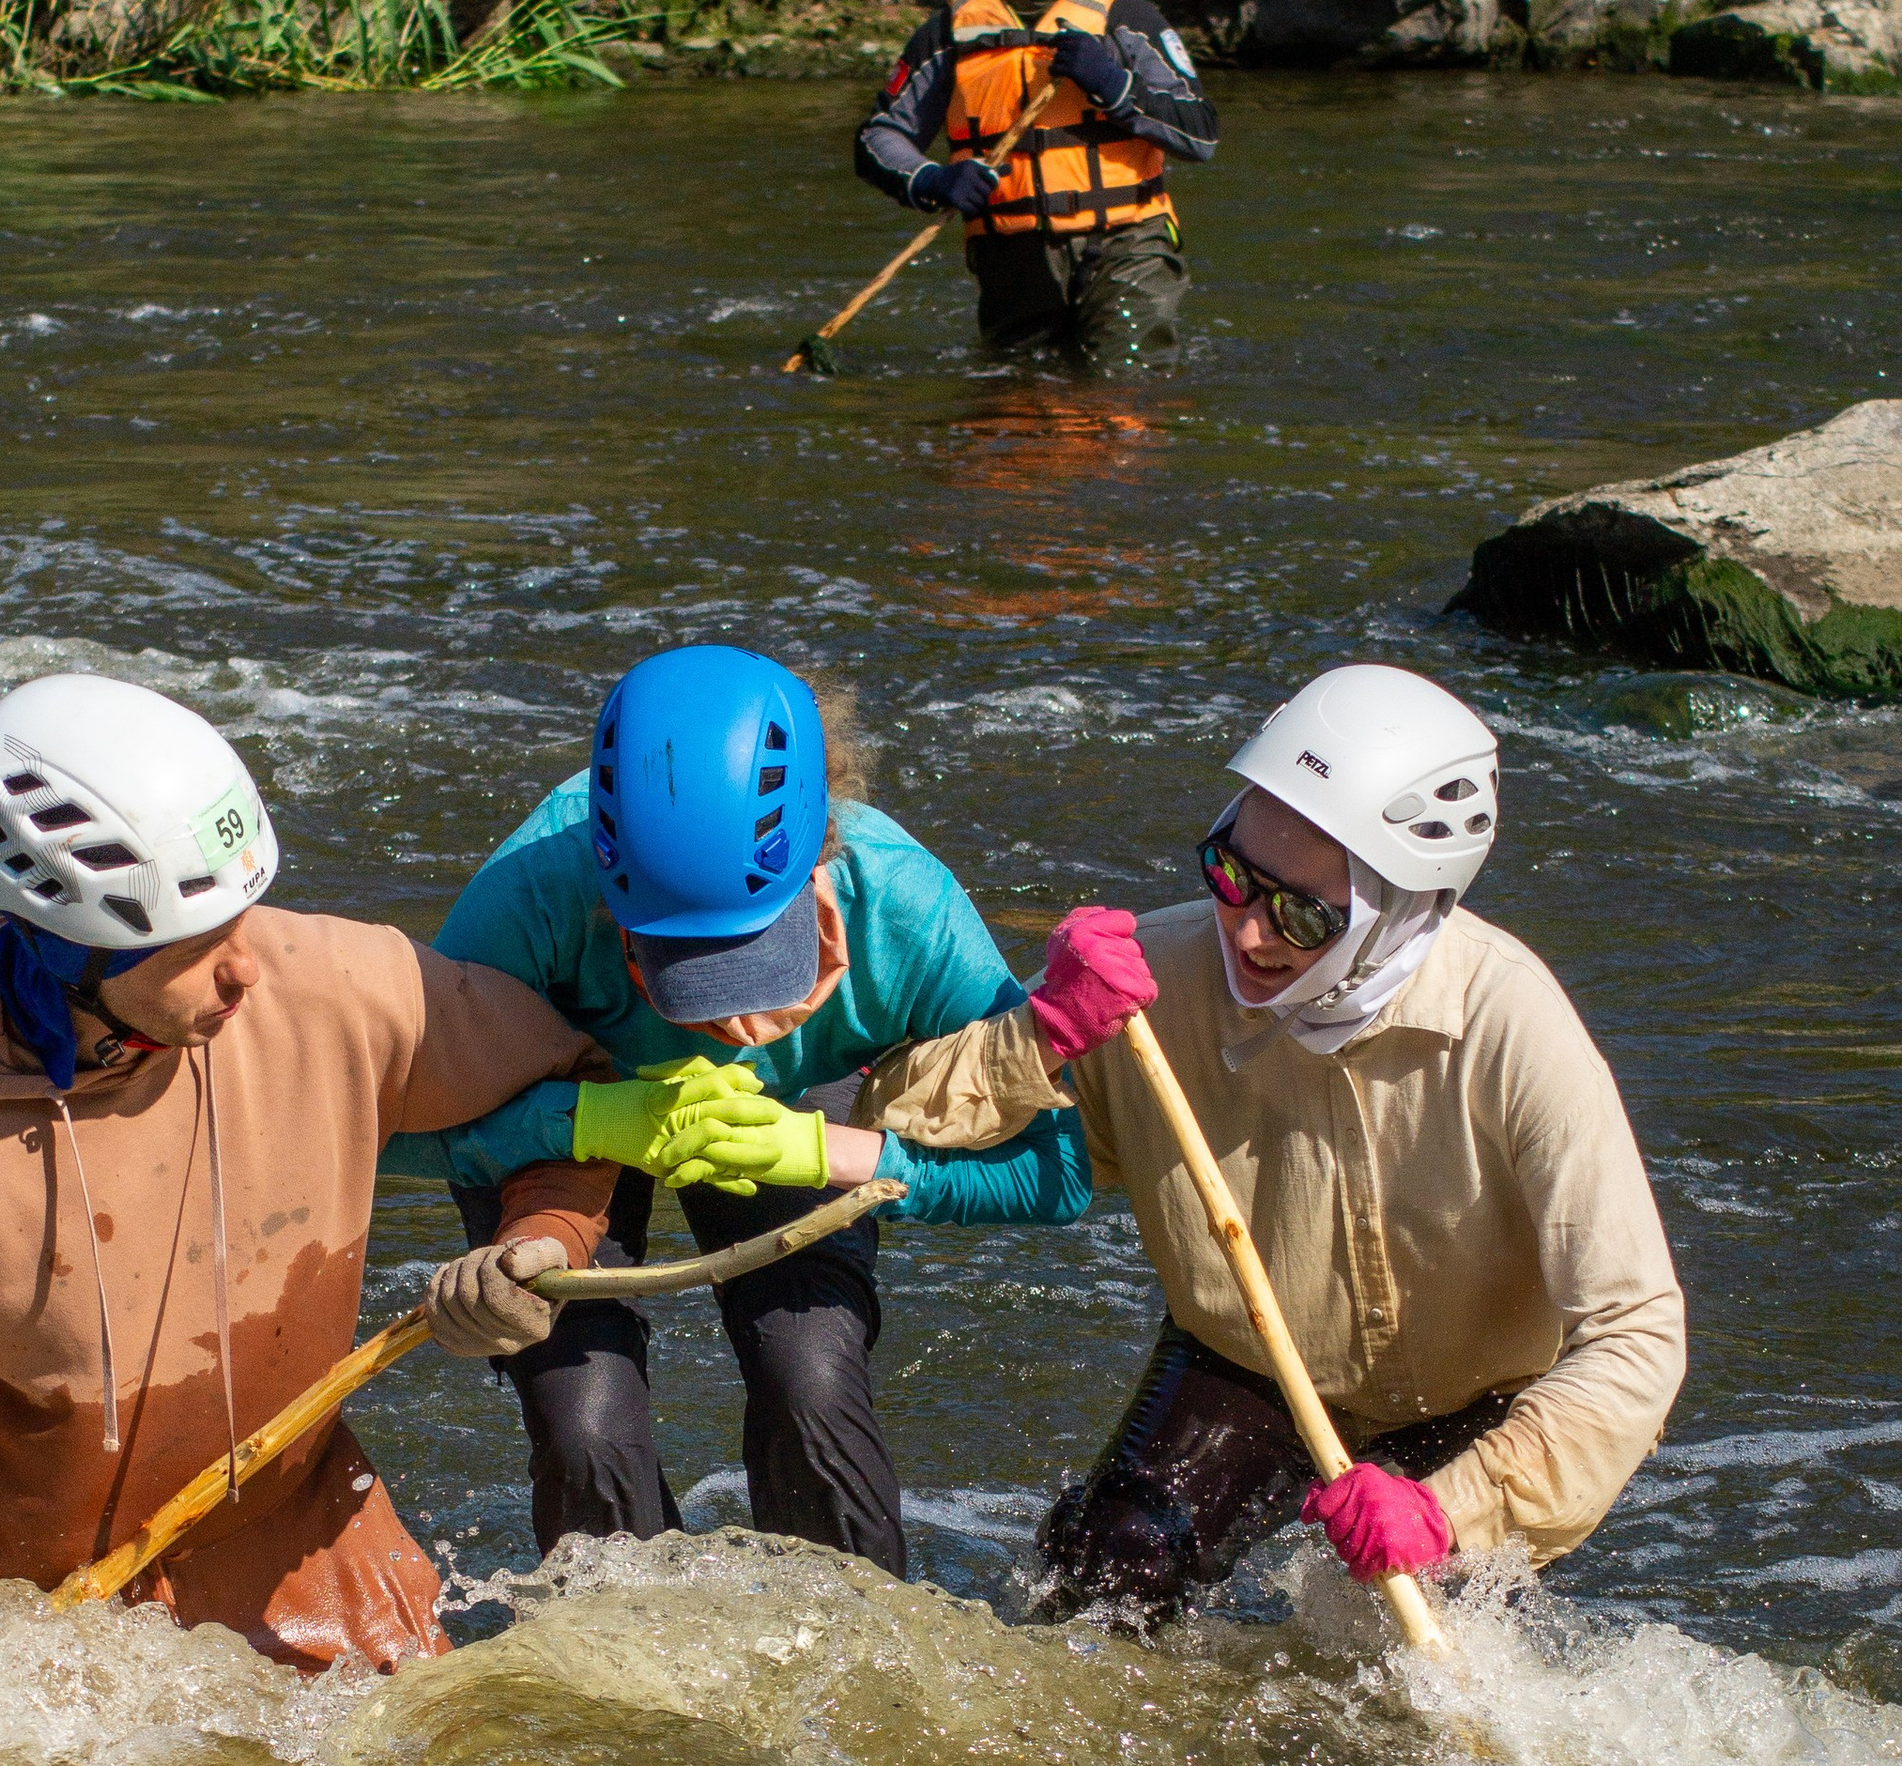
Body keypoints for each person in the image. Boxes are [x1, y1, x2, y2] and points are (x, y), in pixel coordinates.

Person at [0, 673, 602, 1672]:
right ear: (71, 958)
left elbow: (582, 1077)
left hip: (318, 1559)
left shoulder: (330, 984)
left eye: (245, 916)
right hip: (43, 1640)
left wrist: (542, 1242)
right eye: (194, 948)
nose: (247, 967)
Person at [850, 665, 1688, 1623]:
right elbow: (887, 1118)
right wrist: (1036, 1031)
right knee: (1101, 1584)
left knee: (1409, 1690)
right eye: (1229, 873)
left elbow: (1637, 1337)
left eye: (1299, 914)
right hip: (1243, 1365)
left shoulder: (1513, 1025)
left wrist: (1453, 1509)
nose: (1246, 931)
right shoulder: (1147, 984)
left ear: (1402, 910)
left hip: (1479, 1411)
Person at [405, 643, 1097, 1575]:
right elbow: (380, 1133)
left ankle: (854, 1661)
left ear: (820, 850)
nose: (728, 1018)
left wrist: (825, 1151)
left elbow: (1055, 1173)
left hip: (797, 1113)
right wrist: (586, 1124)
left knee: (813, 1382)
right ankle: (618, 1669)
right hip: (567, 1098)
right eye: (679, 972)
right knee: (586, 1419)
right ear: (612, 902)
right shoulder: (530, 900)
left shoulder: (904, 907)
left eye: (755, 960)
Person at [855, 0, 1218, 361]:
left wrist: (1117, 87)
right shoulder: (952, 29)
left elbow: (1200, 133)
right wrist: (931, 179)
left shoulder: (1128, 19)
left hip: (1127, 247)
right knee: (1019, 412)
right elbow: (879, 138)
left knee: (1126, 400)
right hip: (1012, 256)